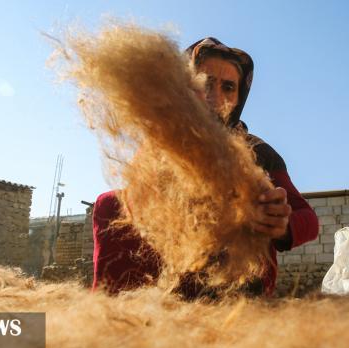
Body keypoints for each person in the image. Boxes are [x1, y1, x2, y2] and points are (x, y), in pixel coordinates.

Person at [92, 37, 319, 297]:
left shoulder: (260, 153)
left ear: (239, 97)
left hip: (236, 284)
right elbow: (139, 197)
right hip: (170, 277)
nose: (216, 97)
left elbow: (308, 219)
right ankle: (122, 309)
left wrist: (282, 223)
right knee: (111, 203)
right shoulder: (162, 144)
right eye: (206, 83)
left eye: (228, 87)